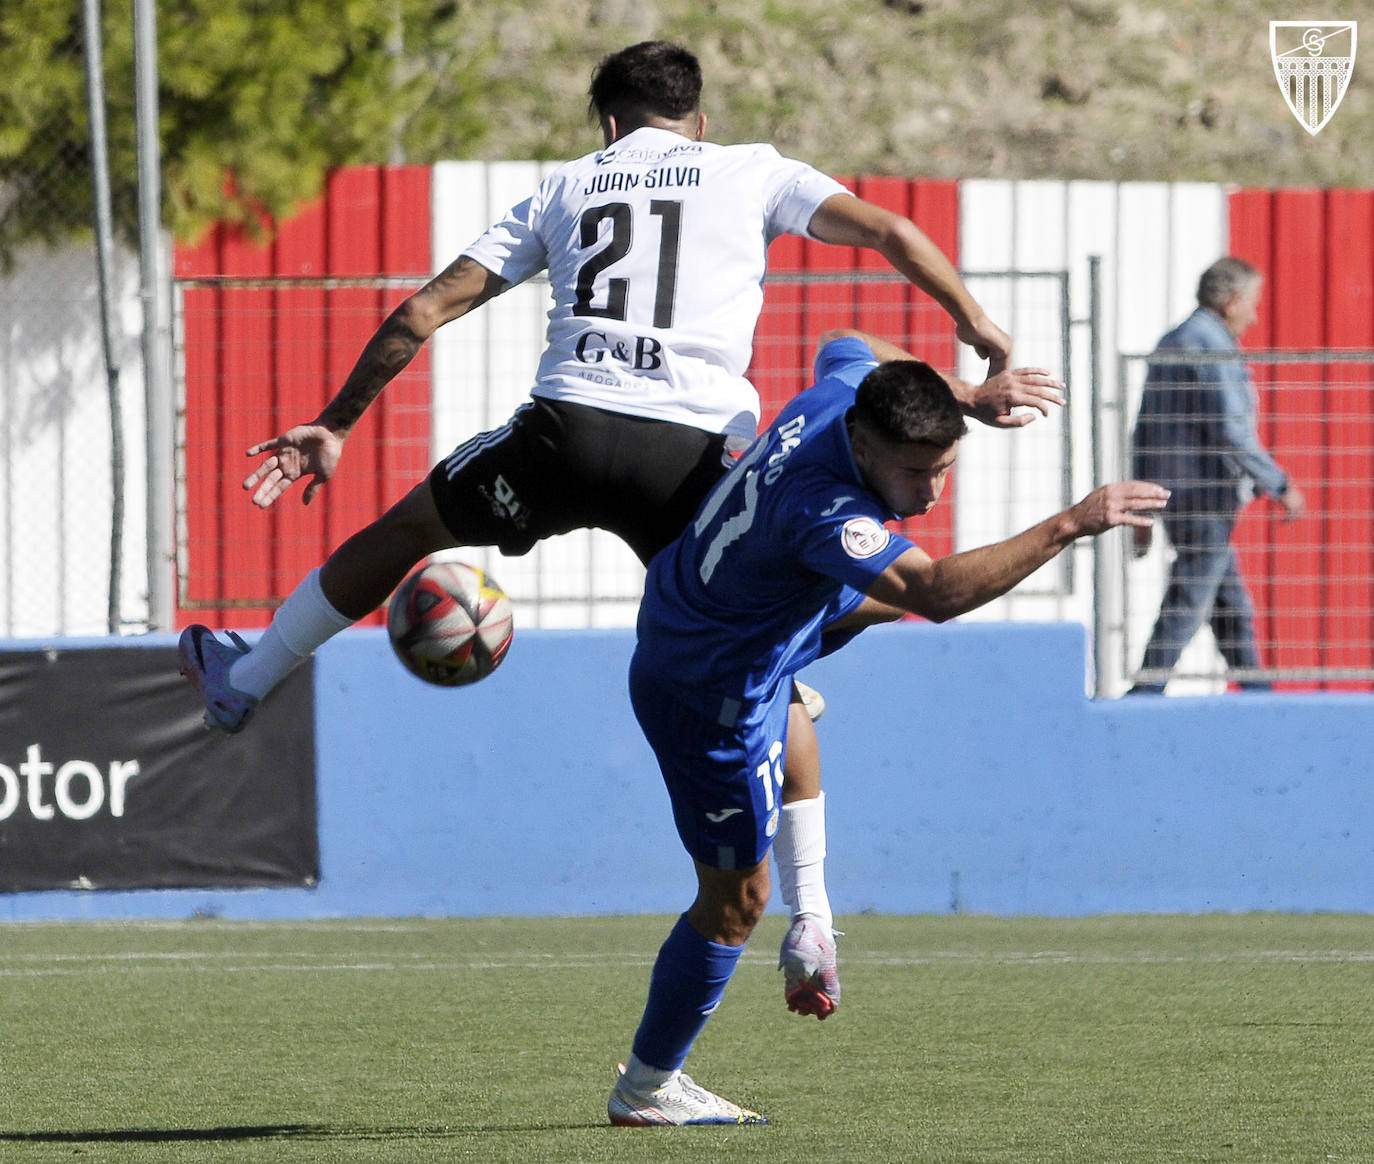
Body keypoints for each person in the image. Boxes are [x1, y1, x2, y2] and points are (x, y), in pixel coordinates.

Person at [177, 41, 1061, 1014]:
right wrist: (972, 327)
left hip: (567, 438)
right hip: (695, 462)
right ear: (700, 119)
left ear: (607, 122)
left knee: (408, 530)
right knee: (765, 660)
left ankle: (246, 680)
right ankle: (812, 916)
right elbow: (892, 232)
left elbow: (424, 311)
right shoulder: (749, 170)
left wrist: (338, 421)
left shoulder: (566, 187)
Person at [606, 328, 1168, 1125]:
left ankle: (815, 918)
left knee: (808, 679)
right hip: (707, 694)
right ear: (863, 449)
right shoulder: (825, 510)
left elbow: (846, 343)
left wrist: (966, 396)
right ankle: (646, 1087)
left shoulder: (843, 394)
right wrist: (1072, 523)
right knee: (734, 902)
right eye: (914, 472)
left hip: (713, 613)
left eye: (944, 467)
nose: (933, 493)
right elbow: (935, 591)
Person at [1128, 256, 1305, 694]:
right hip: (1206, 498)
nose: (1255, 314)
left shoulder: (1172, 340)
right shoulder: (1212, 345)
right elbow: (1231, 428)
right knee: (1188, 599)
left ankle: (1258, 696)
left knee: (1229, 606)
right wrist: (1279, 483)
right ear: (1231, 301)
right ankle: (1145, 692)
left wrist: (1142, 506)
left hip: (1175, 495)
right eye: (1252, 303)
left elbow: (1143, 431)